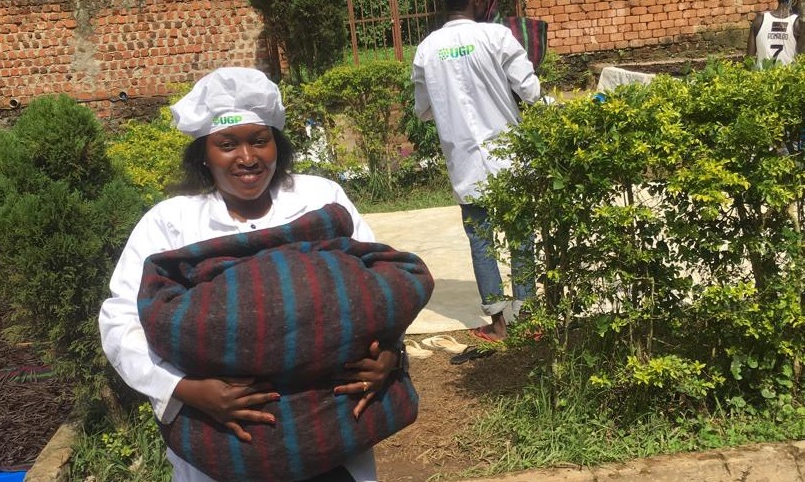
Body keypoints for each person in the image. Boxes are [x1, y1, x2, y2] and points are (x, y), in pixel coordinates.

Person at [99, 67, 402, 482]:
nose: (247, 158)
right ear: (204, 153)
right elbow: (121, 321)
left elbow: (377, 287)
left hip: (331, 434)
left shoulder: (320, 198)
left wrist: (389, 352)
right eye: (227, 144)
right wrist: (185, 389)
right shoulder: (171, 224)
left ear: (277, 145)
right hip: (225, 445)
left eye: (259, 141)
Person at [411, 0, 540, 342]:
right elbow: (531, 92)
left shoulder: (426, 50)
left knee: (480, 240)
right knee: (521, 235)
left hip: (464, 161)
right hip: (509, 155)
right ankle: (527, 315)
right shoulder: (498, 37)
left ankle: (497, 324)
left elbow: (422, 111)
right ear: (477, 3)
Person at [747, 0, 805, 67]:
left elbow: (748, 61)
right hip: (788, 76)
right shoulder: (799, 24)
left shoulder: (759, 20)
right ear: (795, 1)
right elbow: (802, 60)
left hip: (762, 76)